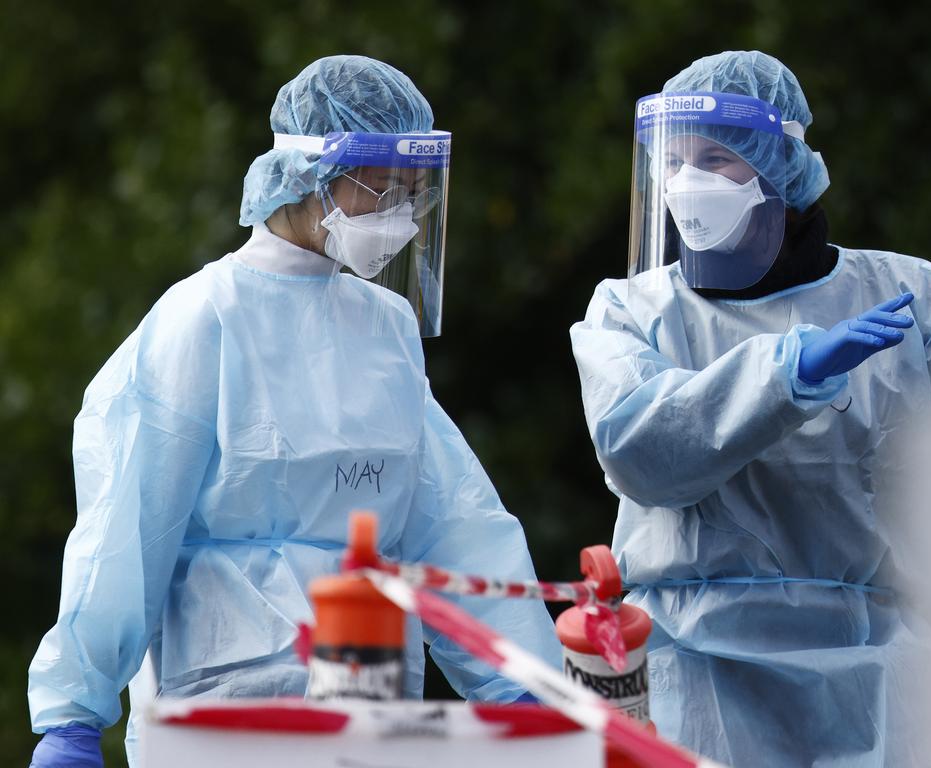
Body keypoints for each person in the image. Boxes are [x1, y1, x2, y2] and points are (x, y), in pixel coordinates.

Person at [28, 55, 561, 768]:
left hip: (371, 715)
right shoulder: (203, 317)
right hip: (224, 717)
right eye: (383, 189)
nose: (400, 217)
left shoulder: (386, 327)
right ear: (311, 171)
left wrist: (523, 683)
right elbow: (126, 532)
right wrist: (72, 716)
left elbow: (454, 522)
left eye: (412, 194)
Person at [570, 50, 931, 767]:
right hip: (696, 670)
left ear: (779, 164)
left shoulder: (910, 299)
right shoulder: (630, 309)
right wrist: (785, 374)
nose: (687, 183)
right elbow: (642, 451)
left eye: (715, 158)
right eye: (675, 159)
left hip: (874, 673)